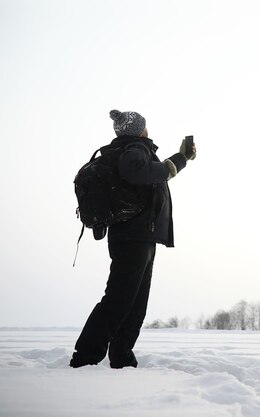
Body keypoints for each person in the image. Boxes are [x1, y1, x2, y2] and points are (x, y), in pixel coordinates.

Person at [70, 109, 196, 368]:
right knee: (119, 299)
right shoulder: (135, 149)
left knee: (134, 303)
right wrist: (180, 159)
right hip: (133, 237)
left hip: (139, 236)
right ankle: (85, 357)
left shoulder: (131, 149)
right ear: (140, 129)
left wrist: (180, 158)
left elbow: (149, 172)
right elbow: (137, 171)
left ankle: (122, 358)